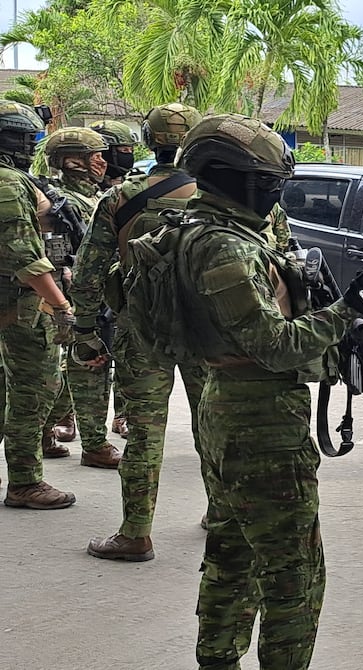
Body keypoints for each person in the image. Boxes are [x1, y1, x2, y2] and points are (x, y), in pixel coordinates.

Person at [160, 114, 363, 669]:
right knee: (293, 574)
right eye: (269, 180)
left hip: (233, 411)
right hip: (260, 422)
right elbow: (273, 346)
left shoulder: (212, 230)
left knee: (233, 552)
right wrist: (354, 307)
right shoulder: (224, 248)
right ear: (235, 179)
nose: (276, 191)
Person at [74, 102, 204, 561]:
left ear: (150, 142)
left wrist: (85, 329)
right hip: (208, 331)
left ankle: (136, 532)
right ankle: (225, 515)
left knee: (146, 431)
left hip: (141, 328)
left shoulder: (119, 197)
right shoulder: (221, 196)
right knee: (213, 422)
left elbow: (89, 271)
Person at [0, 101, 76, 510]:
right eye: (28, 140)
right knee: (34, 389)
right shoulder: (9, 184)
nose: (32, 148)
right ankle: (25, 482)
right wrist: (62, 306)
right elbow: (24, 260)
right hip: (17, 308)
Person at [38, 126, 120, 467]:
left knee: (70, 368)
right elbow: (56, 252)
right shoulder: (60, 202)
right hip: (71, 296)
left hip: (89, 293)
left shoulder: (94, 197)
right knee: (89, 366)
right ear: (73, 162)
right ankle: (95, 444)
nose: (102, 162)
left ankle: (46, 431)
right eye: (95, 157)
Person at [87, 119, 138, 187]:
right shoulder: (85, 185)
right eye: (124, 150)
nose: (129, 154)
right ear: (105, 153)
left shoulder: (132, 183)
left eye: (131, 150)